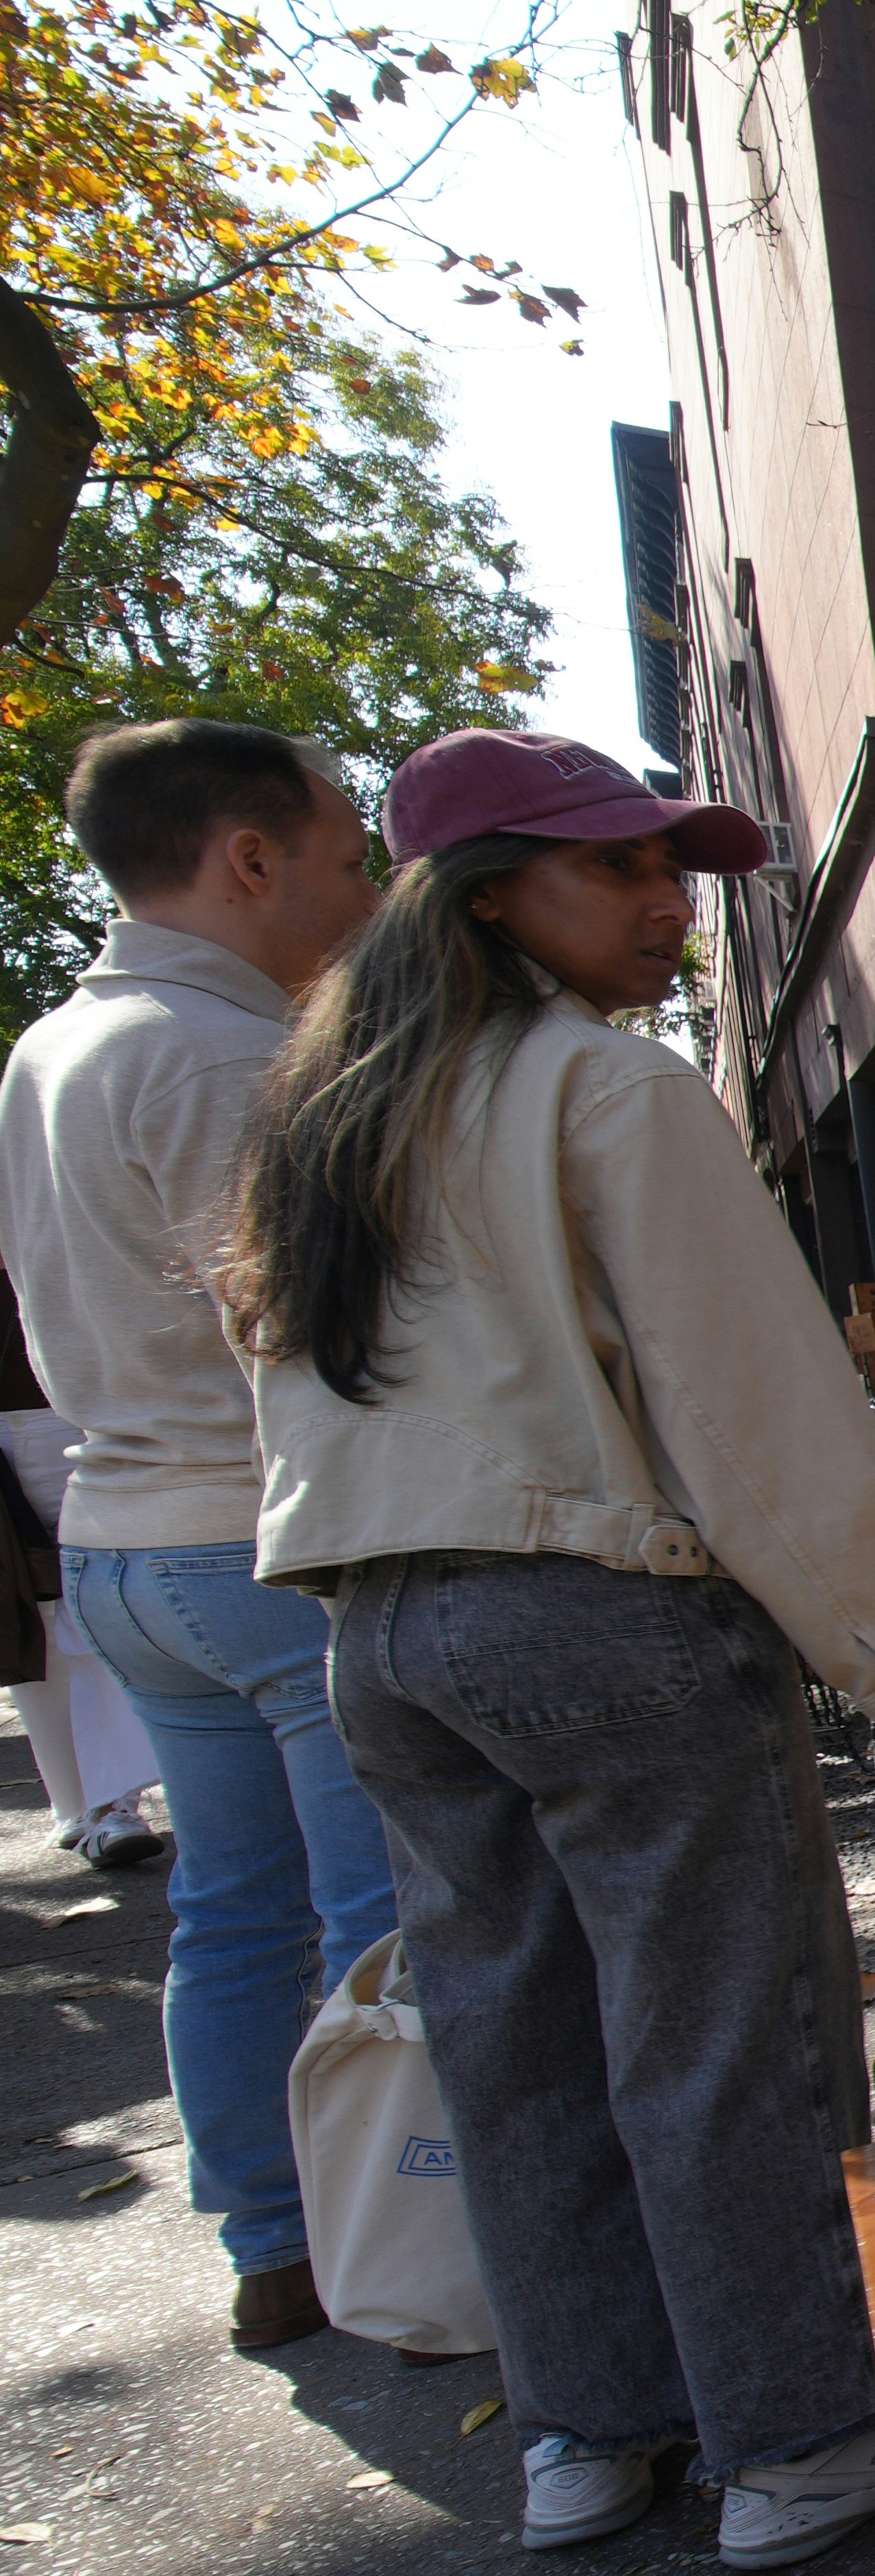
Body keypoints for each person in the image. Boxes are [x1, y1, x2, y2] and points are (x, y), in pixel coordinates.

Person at [223, 725, 875, 2562]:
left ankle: (591, 2426)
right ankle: (800, 2439)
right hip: (599, 1607)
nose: (669, 908)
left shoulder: (326, 1112)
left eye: (670, 870)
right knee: (726, 2040)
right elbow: (758, 1414)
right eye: (621, 871)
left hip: (382, 1630)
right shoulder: (601, 1088)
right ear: (496, 900)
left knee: (512, 2039)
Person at [0, 718, 395, 2339]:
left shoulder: (47, 1047)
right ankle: (415, 2237)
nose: (365, 891)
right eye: (349, 853)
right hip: (263, 1536)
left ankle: (272, 2238)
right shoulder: (230, 1055)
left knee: (230, 1907)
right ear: (250, 858)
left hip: (122, 1537)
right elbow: (313, 1332)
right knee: (385, 1917)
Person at [1, 1262, 169, 1865]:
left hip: (54, 1393)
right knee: (24, 1616)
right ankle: (78, 1804)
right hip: (40, 1393)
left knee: (82, 1595)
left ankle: (111, 1802)